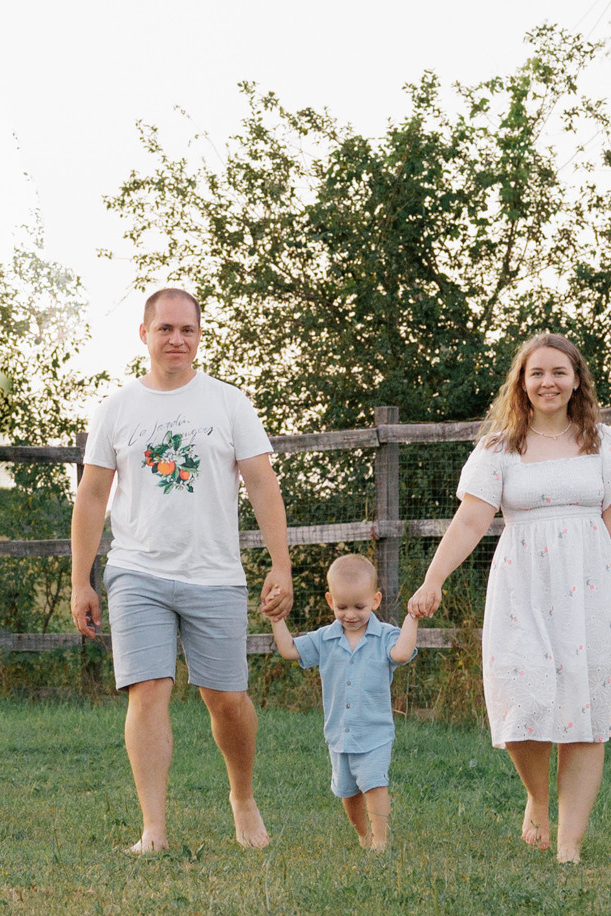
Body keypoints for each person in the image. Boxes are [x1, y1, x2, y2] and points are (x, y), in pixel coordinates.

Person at [408, 332, 611, 867]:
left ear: (576, 380)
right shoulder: (499, 448)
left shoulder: (602, 444)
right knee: (522, 702)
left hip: (591, 591)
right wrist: (432, 579)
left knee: (586, 713)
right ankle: (536, 795)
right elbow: (471, 521)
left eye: (559, 372)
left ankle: (569, 847)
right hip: (521, 588)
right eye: (537, 373)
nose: (548, 382)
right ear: (522, 384)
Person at [71, 285, 293, 854]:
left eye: (187, 330)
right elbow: (93, 495)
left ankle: (241, 797)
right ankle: (154, 830)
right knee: (147, 690)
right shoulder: (117, 408)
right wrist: (81, 579)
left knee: (227, 700)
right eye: (165, 329)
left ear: (198, 337)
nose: (177, 339)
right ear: (144, 335)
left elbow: (263, 483)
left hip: (214, 573)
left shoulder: (228, 403)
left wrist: (281, 564)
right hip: (135, 570)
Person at [268, 550, 419, 851]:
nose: (351, 614)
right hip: (339, 732)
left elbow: (402, 654)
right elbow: (289, 651)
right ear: (330, 602)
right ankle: (363, 836)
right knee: (347, 792)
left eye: (359, 607)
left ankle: (381, 841)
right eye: (342, 607)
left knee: (375, 783)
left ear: (375, 601)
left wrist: (412, 618)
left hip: (374, 732)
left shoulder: (386, 636)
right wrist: (276, 620)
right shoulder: (325, 638)